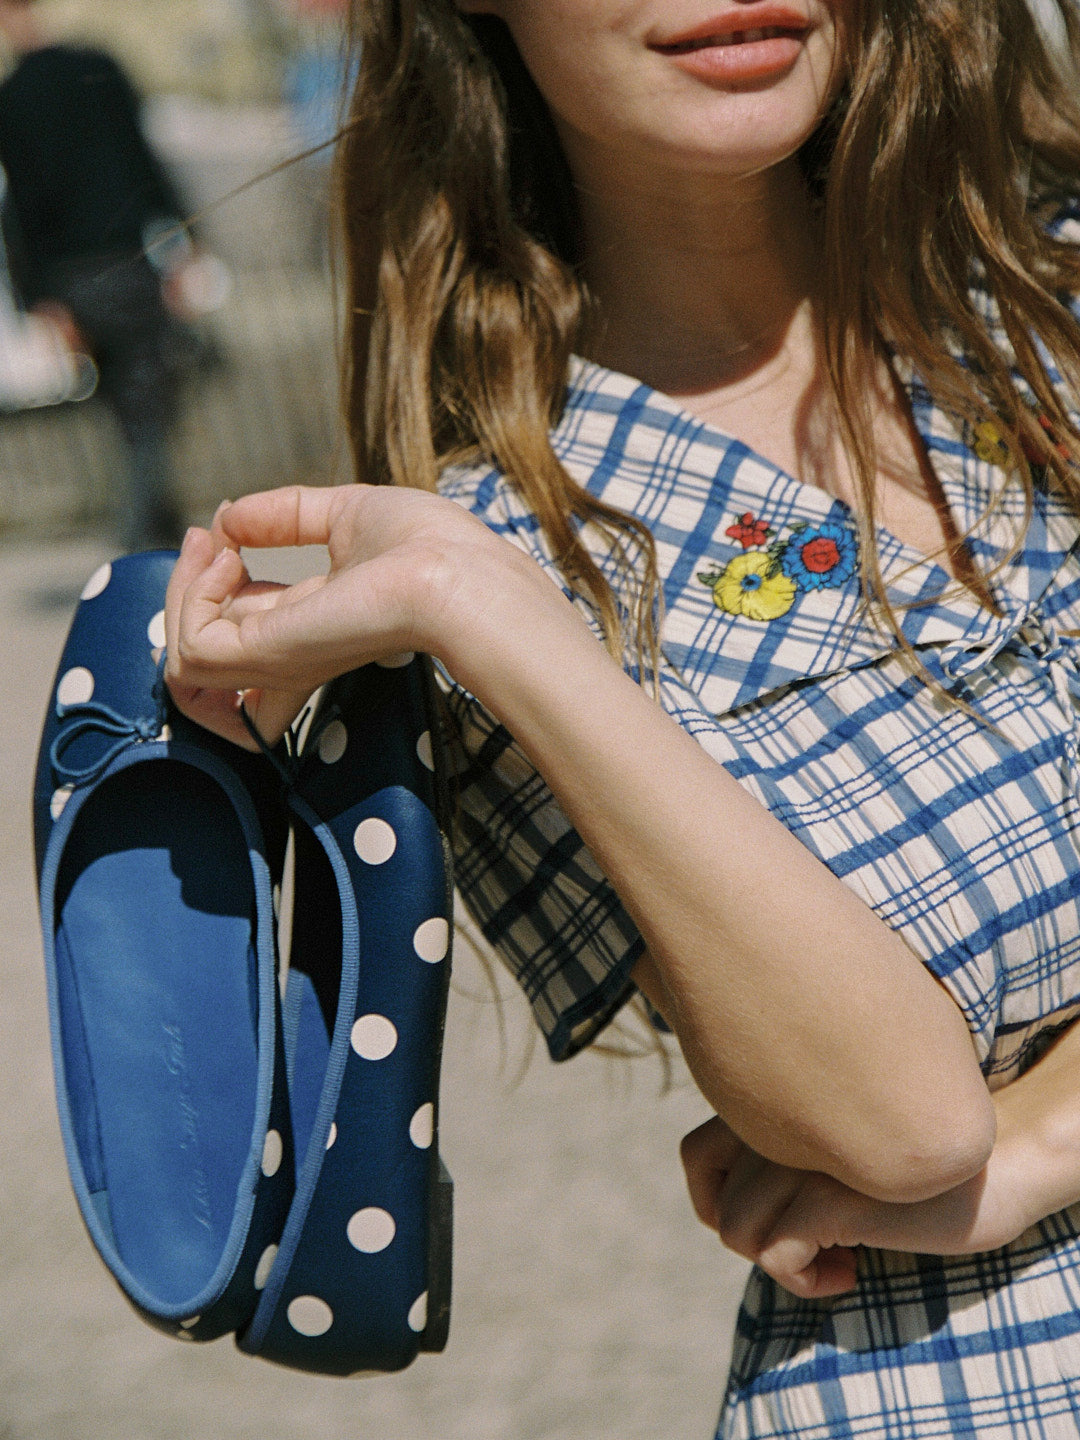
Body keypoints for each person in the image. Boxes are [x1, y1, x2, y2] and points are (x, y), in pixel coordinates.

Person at [163, 1, 1080, 1435]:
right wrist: (493, 615)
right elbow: (896, 1122)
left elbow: (967, 1148)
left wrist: (1045, 1141)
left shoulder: (1047, 296)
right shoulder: (483, 558)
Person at [0, 0, 190, 550]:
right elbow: (145, 162)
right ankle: (140, 542)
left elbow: (21, 213)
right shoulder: (99, 69)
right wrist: (186, 244)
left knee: (133, 410)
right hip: (127, 265)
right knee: (147, 408)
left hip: (72, 279)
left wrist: (39, 299)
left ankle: (157, 541)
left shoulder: (11, 98)